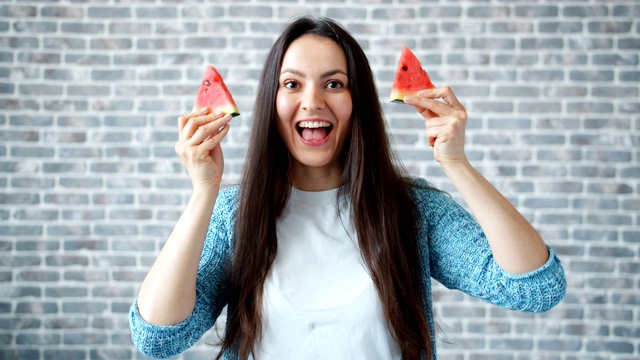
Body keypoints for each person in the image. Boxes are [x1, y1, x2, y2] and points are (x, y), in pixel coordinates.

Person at [129, 16, 566, 360]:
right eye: (292, 84)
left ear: (358, 103)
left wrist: (457, 163)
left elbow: (532, 287)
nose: (313, 101)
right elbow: (157, 337)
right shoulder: (236, 215)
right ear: (271, 103)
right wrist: (205, 191)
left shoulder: (409, 210)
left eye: (334, 83)